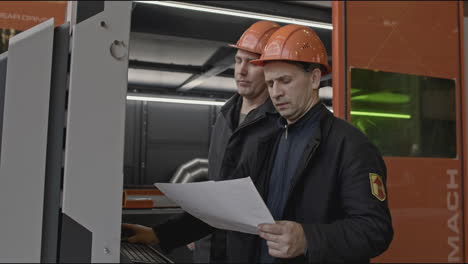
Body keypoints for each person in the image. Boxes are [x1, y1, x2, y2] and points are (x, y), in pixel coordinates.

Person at [122, 21, 280, 263]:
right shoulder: (226, 116)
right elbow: (220, 200)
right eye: (238, 60)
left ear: (271, 68)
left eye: (252, 62)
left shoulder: (281, 125)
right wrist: (158, 234)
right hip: (213, 248)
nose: (241, 70)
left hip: (256, 253)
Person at [234, 24, 392, 263]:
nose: (276, 93)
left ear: (315, 78)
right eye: (270, 84)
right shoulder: (267, 141)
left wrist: (308, 238)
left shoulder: (350, 145)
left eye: (285, 80)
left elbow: (375, 230)